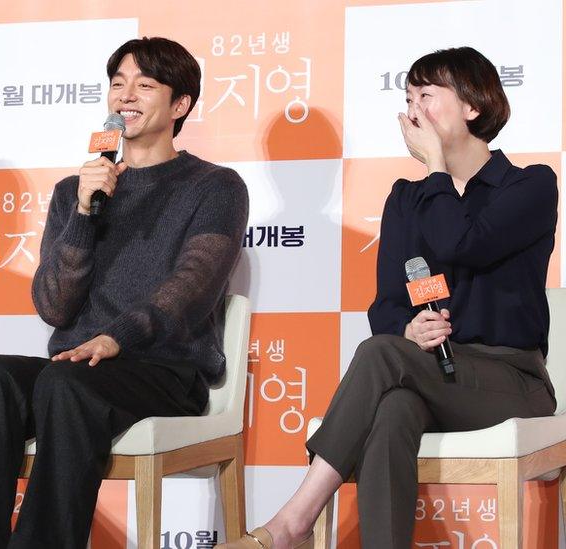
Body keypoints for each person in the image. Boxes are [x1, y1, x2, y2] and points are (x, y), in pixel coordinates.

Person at [220, 46, 557, 549]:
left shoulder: (530, 185)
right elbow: (386, 305)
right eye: (407, 97)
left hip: (511, 381)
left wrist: (438, 167)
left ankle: (294, 520)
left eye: (426, 95)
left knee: (380, 357)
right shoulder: (406, 198)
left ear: (473, 106)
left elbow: (463, 242)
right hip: (432, 372)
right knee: (394, 407)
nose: (412, 110)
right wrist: (407, 329)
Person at [0, 36, 249, 548]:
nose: (125, 96)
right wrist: (86, 214)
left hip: (162, 369)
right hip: (75, 369)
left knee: (64, 385)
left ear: (180, 105)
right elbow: (53, 305)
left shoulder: (215, 187)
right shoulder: (76, 190)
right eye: (118, 84)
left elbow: (192, 289)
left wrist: (117, 337)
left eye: (145, 85)